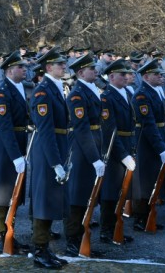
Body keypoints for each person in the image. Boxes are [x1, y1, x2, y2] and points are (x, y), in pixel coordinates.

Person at [0, 51, 31, 256]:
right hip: (6, 146)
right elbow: (4, 127)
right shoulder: (2, 93)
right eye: (21, 67)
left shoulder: (19, 88)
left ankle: (8, 232)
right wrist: (15, 156)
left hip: (18, 142)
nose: (24, 69)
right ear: (10, 70)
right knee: (1, 190)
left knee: (15, 191)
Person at [29, 47, 70, 269]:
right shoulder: (43, 91)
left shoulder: (55, 88)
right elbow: (45, 131)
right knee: (44, 202)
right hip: (47, 154)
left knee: (52, 200)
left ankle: (45, 249)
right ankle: (39, 251)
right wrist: (55, 163)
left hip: (57, 148)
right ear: (48, 68)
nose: (63, 67)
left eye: (63, 64)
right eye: (59, 64)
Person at [63, 53, 106, 257]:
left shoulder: (92, 89)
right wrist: (94, 157)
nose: (95, 71)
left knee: (88, 194)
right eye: (91, 69)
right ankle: (73, 240)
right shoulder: (77, 94)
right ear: (80, 72)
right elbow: (81, 128)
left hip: (93, 143)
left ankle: (80, 237)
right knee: (77, 195)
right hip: (82, 149)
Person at [131, 59, 165, 230]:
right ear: (146, 76)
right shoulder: (142, 95)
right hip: (146, 142)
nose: (160, 76)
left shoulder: (154, 91)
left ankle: (149, 215)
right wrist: (160, 147)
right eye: (156, 74)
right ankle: (140, 218)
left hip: (158, 136)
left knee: (154, 178)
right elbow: (148, 124)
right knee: (145, 180)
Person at [98, 59, 137, 239]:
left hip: (126, 143)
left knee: (122, 189)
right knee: (110, 191)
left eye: (127, 74)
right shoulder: (107, 97)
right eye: (122, 74)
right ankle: (107, 230)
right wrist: (122, 155)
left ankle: (116, 227)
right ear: (111, 76)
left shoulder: (126, 93)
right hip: (114, 148)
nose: (126, 77)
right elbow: (109, 130)